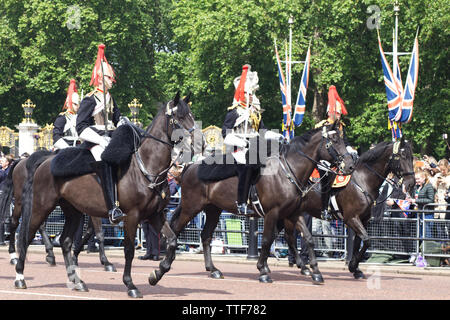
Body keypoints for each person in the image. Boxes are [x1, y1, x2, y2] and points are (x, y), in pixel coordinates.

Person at [76, 43, 127, 224]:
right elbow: (80, 127)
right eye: (109, 77)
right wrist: (100, 139)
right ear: (100, 78)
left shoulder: (110, 98)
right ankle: (112, 207)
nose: (112, 80)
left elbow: (117, 119)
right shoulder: (90, 99)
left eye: (112, 77)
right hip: (95, 140)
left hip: (111, 137)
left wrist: (124, 123)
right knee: (105, 159)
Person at [222, 64, 281, 215]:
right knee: (247, 165)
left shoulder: (254, 113)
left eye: (252, 94)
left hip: (255, 146)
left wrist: (277, 136)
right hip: (239, 149)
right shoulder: (234, 113)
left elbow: (263, 131)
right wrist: (242, 142)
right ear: (242, 94)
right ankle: (241, 201)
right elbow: (225, 134)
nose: (252, 97)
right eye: (249, 94)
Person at [314, 85, 357, 221]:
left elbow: (345, 142)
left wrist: (350, 149)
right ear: (329, 112)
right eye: (336, 113)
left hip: (338, 159)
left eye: (339, 113)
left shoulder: (340, 127)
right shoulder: (322, 125)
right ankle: (324, 208)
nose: (338, 115)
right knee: (327, 177)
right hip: (323, 160)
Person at [53, 79, 81, 150]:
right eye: (75, 104)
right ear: (68, 103)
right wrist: (67, 148)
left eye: (78, 104)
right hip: (65, 148)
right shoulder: (62, 117)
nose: (77, 106)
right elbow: (56, 136)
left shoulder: (80, 117)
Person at [407, 170, 435, 240]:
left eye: (418, 179)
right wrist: (410, 199)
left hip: (427, 214)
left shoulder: (429, 186)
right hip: (418, 213)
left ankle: (427, 250)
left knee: (427, 234)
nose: (416, 180)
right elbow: (414, 197)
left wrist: (416, 201)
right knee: (419, 234)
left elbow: (430, 200)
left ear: (424, 178)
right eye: (415, 179)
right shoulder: (416, 187)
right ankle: (420, 250)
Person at [0, 153, 14, 246]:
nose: (1, 161)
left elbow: (4, 176)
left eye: (3, 160)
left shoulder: (9, 171)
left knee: (4, 217)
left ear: (7, 163)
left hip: (6, 195)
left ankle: (3, 239)